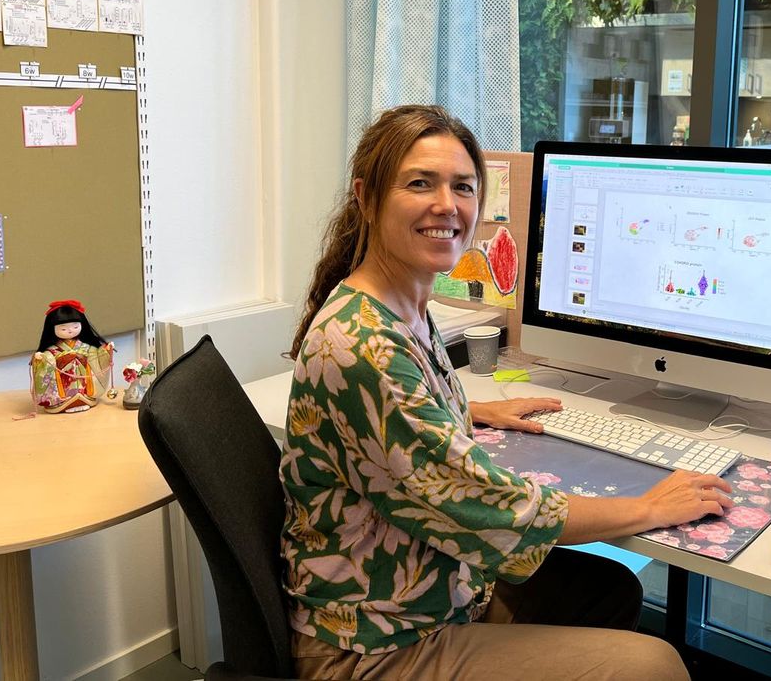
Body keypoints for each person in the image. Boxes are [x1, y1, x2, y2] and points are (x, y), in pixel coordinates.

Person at [281, 104, 733, 680]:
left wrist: (464, 410)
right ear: (366, 198)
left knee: (605, 589)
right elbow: (496, 511)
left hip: (426, 595)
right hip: (374, 646)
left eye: (462, 187)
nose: (447, 204)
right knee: (655, 666)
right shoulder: (362, 347)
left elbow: (393, 431)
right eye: (420, 183)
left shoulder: (395, 308)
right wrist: (647, 507)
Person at [30, 299, 115, 413]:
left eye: (75, 327)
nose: (70, 331)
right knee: (48, 361)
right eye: (63, 328)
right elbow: (45, 359)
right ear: (52, 329)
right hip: (62, 389)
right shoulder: (52, 351)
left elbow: (98, 356)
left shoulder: (87, 348)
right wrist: (41, 359)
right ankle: (62, 401)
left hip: (84, 384)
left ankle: (84, 396)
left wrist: (105, 350)